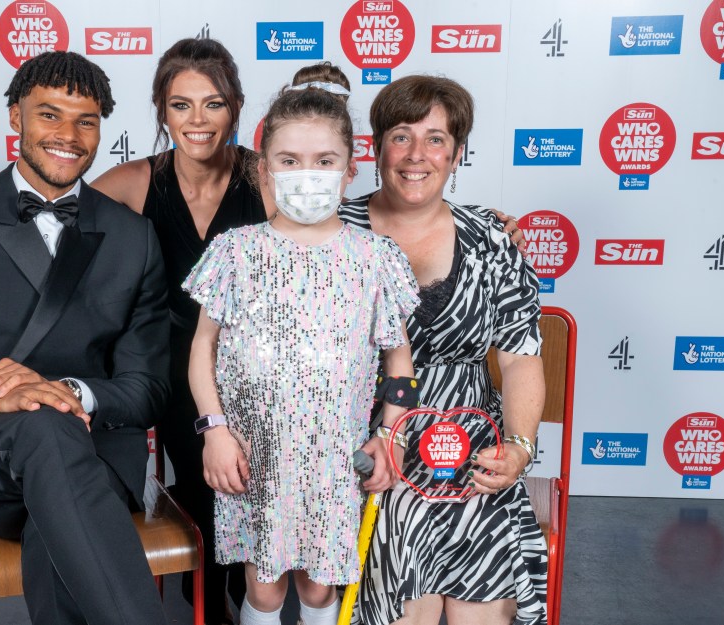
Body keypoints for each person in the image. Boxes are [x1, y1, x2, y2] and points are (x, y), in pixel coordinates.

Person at [0, 51, 169, 625]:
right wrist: (0, 396)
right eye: (49, 115)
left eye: (86, 121)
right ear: (16, 117)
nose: (68, 135)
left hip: (98, 457)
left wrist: (66, 389)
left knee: (60, 519)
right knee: (43, 433)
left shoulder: (133, 237)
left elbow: (146, 389)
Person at [185, 85, 420, 625]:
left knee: (318, 589)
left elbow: (399, 363)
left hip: (336, 456)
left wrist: (390, 436)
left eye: (324, 160)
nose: (307, 173)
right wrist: (214, 431)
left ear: (350, 170)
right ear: (263, 169)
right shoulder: (235, 251)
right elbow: (202, 349)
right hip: (251, 451)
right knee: (264, 589)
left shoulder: (376, 258)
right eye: (289, 160)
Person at [339, 75, 547, 625]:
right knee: (408, 605)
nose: (416, 155)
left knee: (482, 610)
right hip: (373, 442)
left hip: (473, 441)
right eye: (401, 136)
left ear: (457, 154)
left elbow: (521, 358)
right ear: (377, 146)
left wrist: (520, 449)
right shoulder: (334, 232)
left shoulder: (491, 238)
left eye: (436, 139)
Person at [90, 37, 267, 625]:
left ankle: (248, 601)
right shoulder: (133, 183)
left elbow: (345, 220)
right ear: (162, 111)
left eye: (213, 103)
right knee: (202, 478)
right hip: (170, 365)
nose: (198, 120)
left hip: (256, 362)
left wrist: (473, 223)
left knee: (252, 485)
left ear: (236, 108)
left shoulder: (265, 179)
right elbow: (46, 221)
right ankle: (212, 605)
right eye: (181, 104)